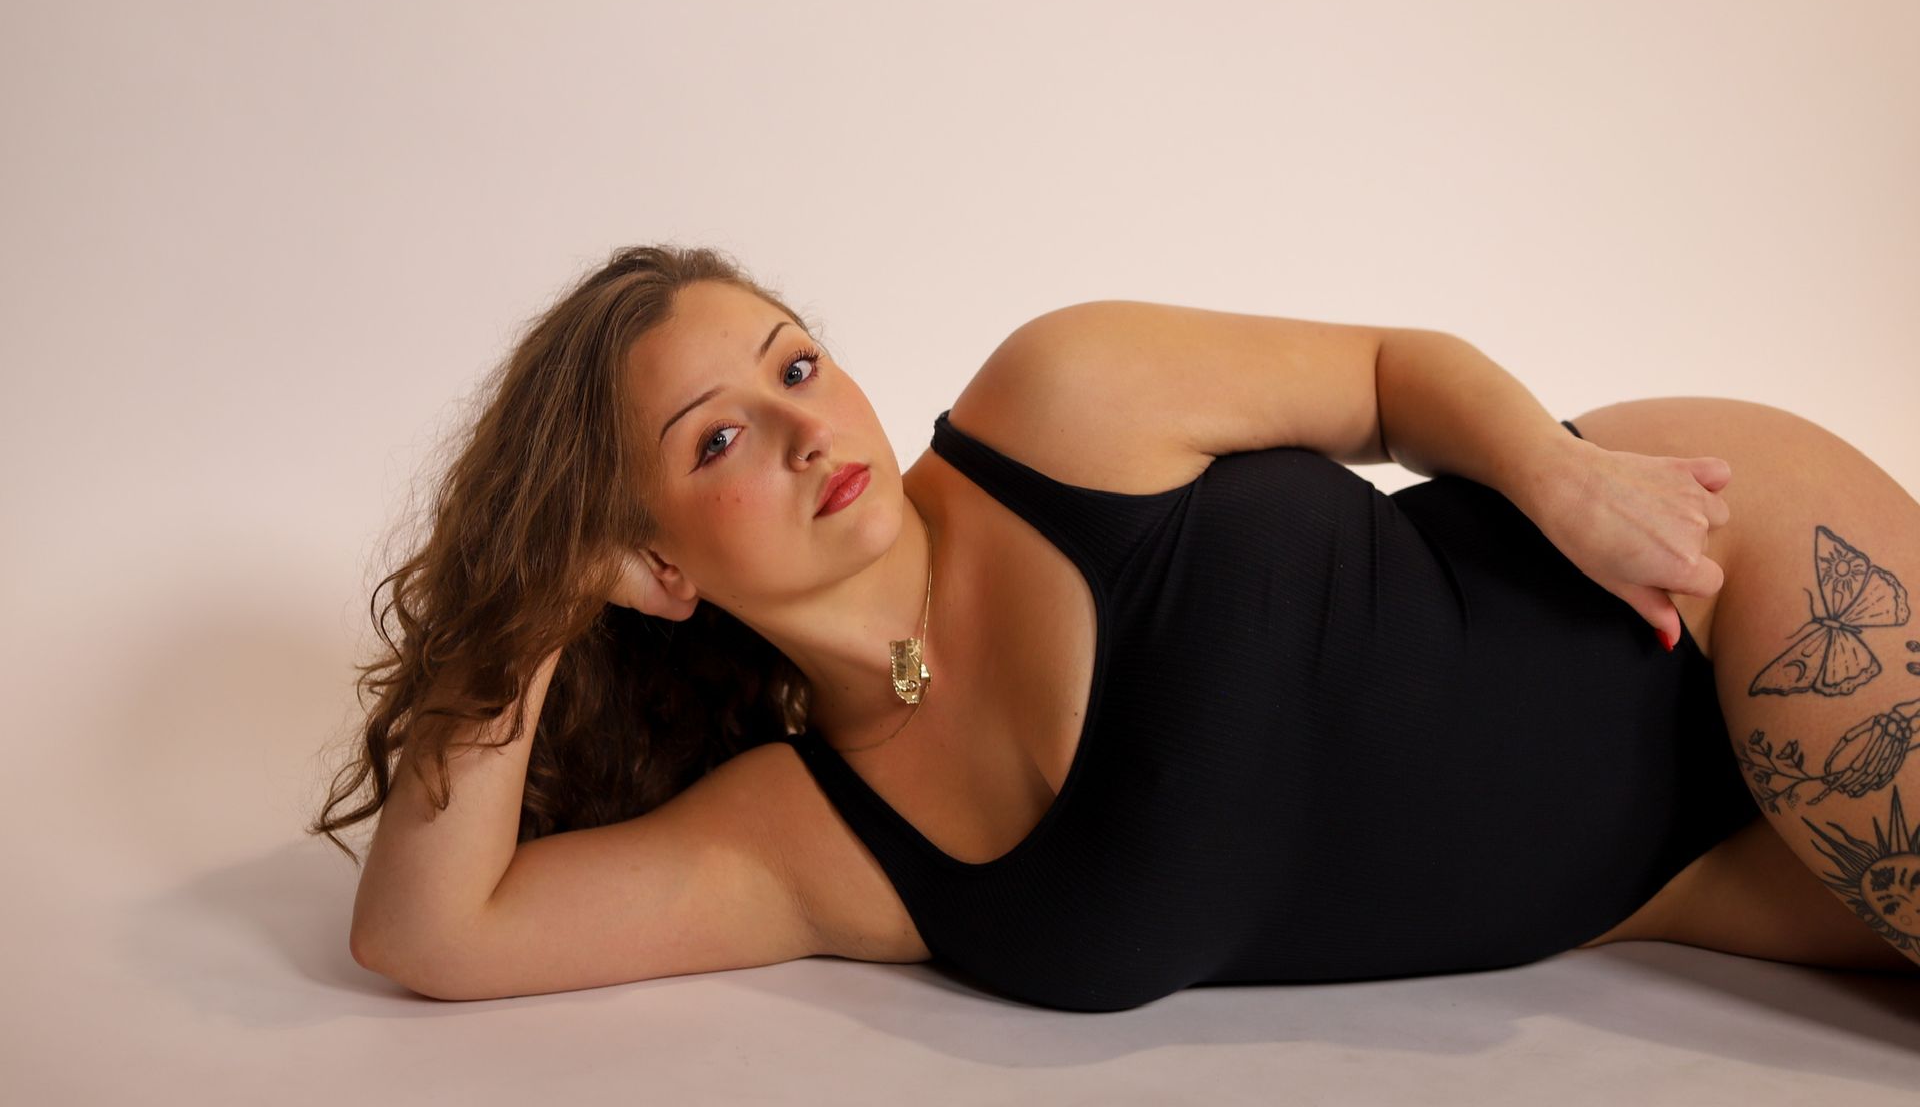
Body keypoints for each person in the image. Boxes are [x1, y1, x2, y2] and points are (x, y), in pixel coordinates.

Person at [317, 244, 1920, 1011]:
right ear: (647, 567)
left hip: (1710, 590)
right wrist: (526, 594)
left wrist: (1561, 478)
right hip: (1688, 884)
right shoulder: (812, 839)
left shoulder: (1053, 410)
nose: (805, 429)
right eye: (716, 440)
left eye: (796, 366)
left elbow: (1384, 372)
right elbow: (436, 934)